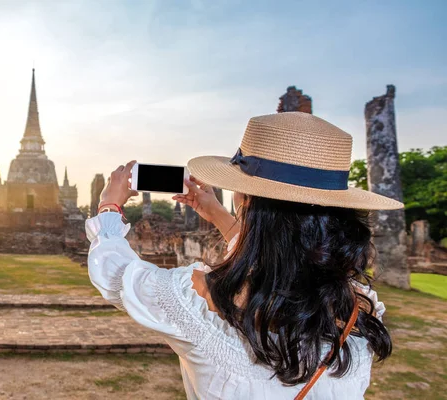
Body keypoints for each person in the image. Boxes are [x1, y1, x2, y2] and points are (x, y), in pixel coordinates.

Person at [85, 112, 402, 399]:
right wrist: (217, 213)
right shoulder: (359, 308)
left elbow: (116, 273)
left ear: (244, 199)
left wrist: (109, 206)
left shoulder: (201, 305)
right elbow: (280, 254)